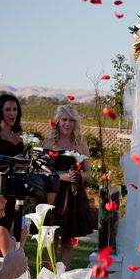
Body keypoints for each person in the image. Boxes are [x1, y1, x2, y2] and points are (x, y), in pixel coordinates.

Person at [42, 104, 92, 269]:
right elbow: (41, 172)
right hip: (53, 194)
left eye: (71, 120)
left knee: (67, 239)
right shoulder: (49, 143)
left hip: (73, 197)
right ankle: (45, 277)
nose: (67, 123)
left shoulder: (81, 145)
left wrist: (77, 176)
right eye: (64, 119)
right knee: (50, 236)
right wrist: (60, 177)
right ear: (57, 121)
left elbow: (88, 173)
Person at [0, 94, 24, 257]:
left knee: (11, 229)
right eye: (7, 109)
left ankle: (7, 276)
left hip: (13, 189)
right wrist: (10, 162)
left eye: (15, 109)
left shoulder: (19, 136)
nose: (12, 113)